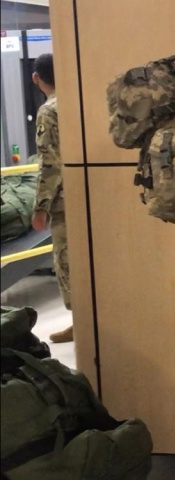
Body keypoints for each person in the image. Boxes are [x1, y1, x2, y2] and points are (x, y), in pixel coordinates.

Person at [30, 53, 73, 344]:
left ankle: (82, 322)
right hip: (88, 196)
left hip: (65, 201)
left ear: (37, 78)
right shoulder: (77, 103)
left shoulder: (49, 110)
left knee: (68, 263)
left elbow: (49, 163)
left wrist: (41, 207)